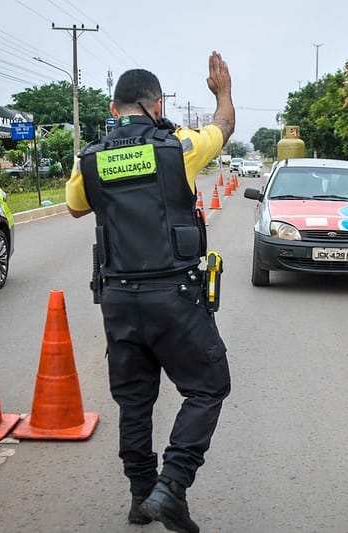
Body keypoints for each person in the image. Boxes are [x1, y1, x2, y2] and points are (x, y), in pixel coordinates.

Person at [65, 51, 234, 533]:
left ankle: (142, 497)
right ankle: (171, 485)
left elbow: (76, 208)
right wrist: (222, 92)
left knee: (134, 402)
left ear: (115, 108)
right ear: (157, 106)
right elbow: (224, 126)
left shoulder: (91, 158)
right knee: (208, 386)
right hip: (173, 295)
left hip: (119, 298)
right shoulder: (179, 146)